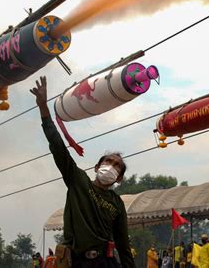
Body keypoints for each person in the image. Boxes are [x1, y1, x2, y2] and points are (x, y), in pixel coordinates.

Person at [31, 76, 135, 268]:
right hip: (76, 262)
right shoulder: (78, 180)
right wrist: (43, 107)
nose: (111, 166)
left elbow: (123, 244)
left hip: (105, 263)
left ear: (119, 177)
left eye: (117, 166)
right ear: (97, 167)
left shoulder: (117, 203)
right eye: (108, 161)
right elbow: (57, 146)